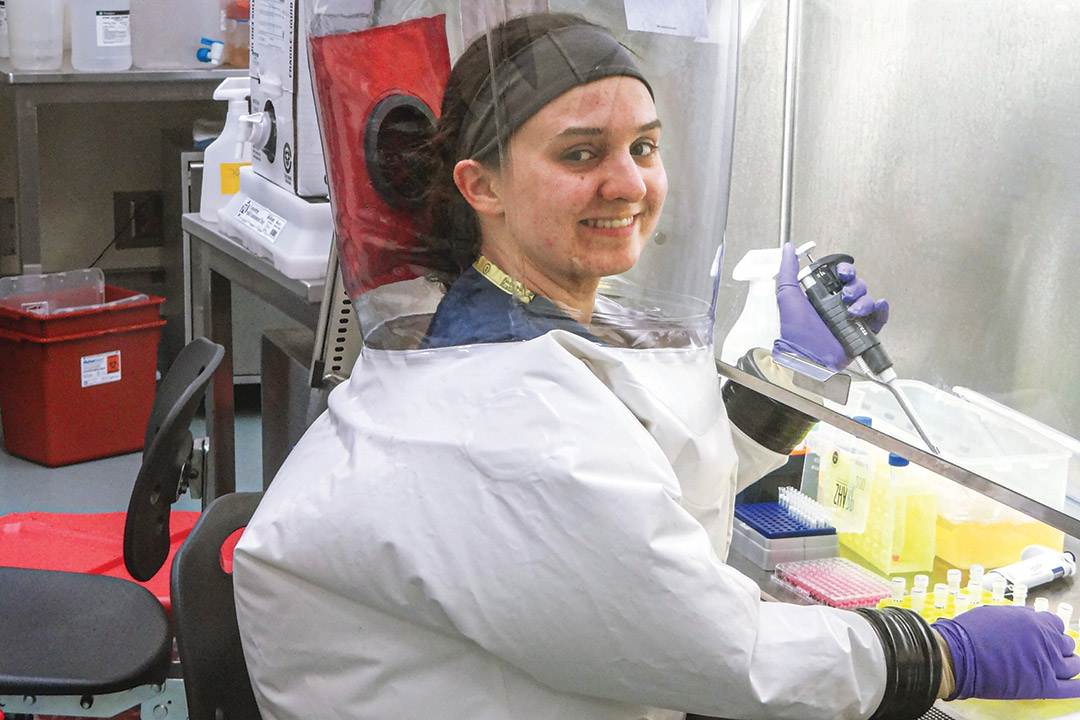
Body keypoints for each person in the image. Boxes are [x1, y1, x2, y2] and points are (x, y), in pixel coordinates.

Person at [233, 10, 1080, 720]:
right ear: (480, 186)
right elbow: (721, 647)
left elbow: (632, 480)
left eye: (644, 146)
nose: (628, 184)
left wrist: (782, 385)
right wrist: (941, 654)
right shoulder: (500, 418)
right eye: (579, 155)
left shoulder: (509, 328)